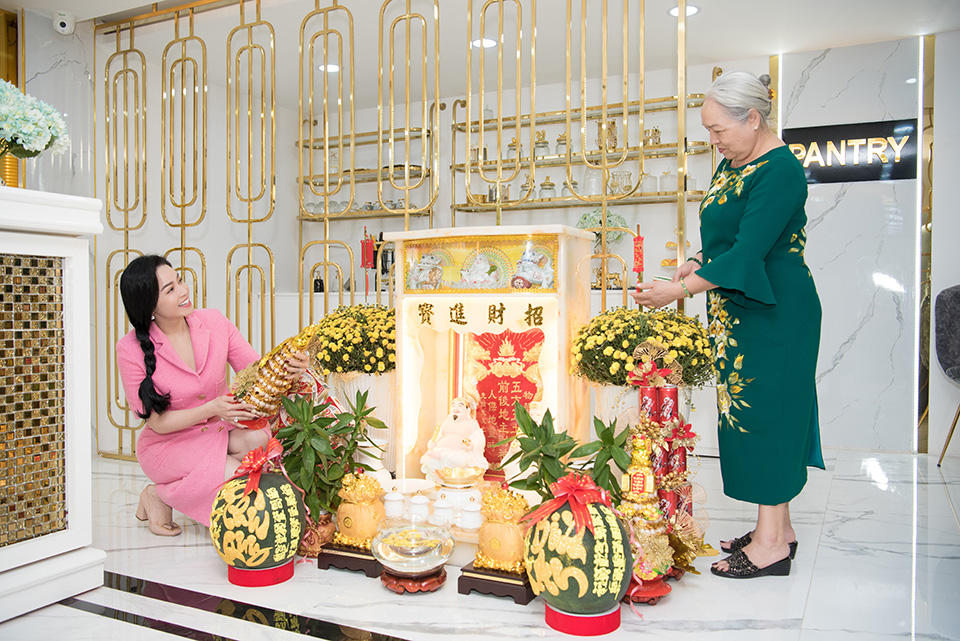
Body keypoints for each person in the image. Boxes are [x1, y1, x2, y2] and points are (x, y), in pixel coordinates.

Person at [632, 71, 824, 579]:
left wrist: (677, 292)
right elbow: (725, 237)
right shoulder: (733, 163)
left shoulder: (779, 171)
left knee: (770, 417)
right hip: (738, 312)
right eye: (709, 130)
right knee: (752, 414)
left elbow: (748, 251)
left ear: (753, 118)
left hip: (775, 313)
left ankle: (770, 546)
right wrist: (696, 260)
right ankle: (778, 529)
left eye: (718, 129)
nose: (713, 140)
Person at [116, 255, 309, 536]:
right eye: (170, 290)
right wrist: (212, 408)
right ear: (150, 305)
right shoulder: (129, 349)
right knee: (241, 483)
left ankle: (159, 495)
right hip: (168, 444)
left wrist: (290, 368)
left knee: (258, 437)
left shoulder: (214, 322)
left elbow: (255, 371)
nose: (183, 291)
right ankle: (162, 495)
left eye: (180, 280)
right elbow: (157, 423)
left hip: (217, 430)